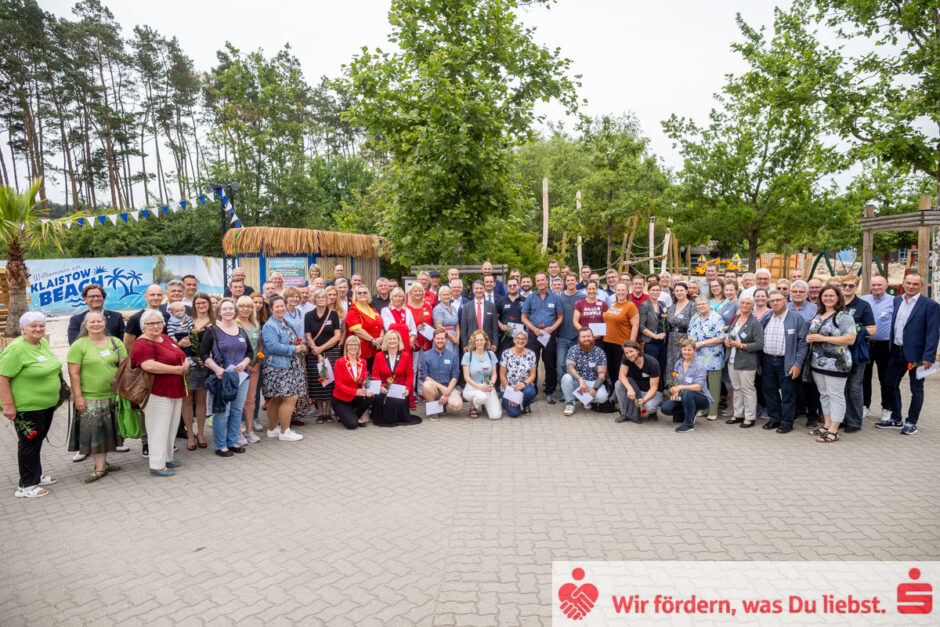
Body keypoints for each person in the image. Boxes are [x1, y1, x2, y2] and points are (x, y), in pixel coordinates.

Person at [0, 312, 62, 497]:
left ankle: (36, 474)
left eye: (41, 326)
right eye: (33, 326)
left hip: (46, 405)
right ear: (22, 329)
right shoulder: (16, 349)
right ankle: (26, 485)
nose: (38, 329)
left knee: (36, 441)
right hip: (27, 408)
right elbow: (3, 378)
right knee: (28, 443)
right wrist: (8, 405)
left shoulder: (41, 342)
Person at [66, 312, 127, 482]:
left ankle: (104, 463)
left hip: (113, 396)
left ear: (104, 323)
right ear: (85, 325)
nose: (96, 324)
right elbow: (74, 373)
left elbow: (124, 367)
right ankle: (99, 467)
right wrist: (77, 397)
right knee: (95, 433)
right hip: (90, 397)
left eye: (99, 321)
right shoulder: (79, 345)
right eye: (92, 322)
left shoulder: (115, 342)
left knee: (107, 431)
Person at [876, 272, 939, 435]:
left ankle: (911, 422)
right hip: (897, 352)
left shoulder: (930, 305)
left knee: (916, 389)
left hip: (917, 356)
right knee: (890, 383)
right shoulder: (897, 300)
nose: (911, 286)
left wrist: (929, 356)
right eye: (908, 283)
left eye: (915, 284)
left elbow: (933, 332)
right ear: (903, 283)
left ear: (921, 286)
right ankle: (896, 418)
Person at [130, 310, 189, 476]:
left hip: (175, 389)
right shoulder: (142, 343)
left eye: (158, 323)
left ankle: (167, 458)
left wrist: (184, 365)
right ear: (143, 326)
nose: (156, 326)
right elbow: (148, 365)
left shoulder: (166, 338)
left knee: (170, 427)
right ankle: (157, 465)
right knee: (158, 429)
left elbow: (179, 354)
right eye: (151, 323)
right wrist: (177, 369)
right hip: (157, 392)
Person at [804, 286, 856, 443]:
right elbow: (813, 333)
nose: (828, 298)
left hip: (837, 363)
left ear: (838, 297)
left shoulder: (844, 316)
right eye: (825, 295)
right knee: (824, 394)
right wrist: (809, 338)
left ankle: (834, 430)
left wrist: (823, 339)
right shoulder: (819, 314)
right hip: (818, 362)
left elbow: (850, 339)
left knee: (836, 395)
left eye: (831, 295)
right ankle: (826, 425)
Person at [201, 299, 253, 456]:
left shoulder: (241, 331)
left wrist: (244, 363)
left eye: (231, 308)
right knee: (222, 411)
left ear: (235, 311)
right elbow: (203, 354)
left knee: (237, 410)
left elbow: (250, 352)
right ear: (219, 312)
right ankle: (220, 445)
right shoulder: (212, 331)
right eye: (225, 309)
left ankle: (232, 442)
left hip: (241, 377)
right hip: (222, 377)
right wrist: (217, 369)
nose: (228, 311)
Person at [760, 290, 808, 434]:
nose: (774, 303)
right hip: (768, 360)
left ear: (785, 301)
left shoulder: (796, 319)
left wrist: (797, 364)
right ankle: (775, 418)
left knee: (788, 393)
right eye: (772, 301)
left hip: (786, 362)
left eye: (778, 300)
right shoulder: (767, 318)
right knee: (769, 391)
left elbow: (803, 344)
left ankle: (787, 422)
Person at [260, 295, 306, 442]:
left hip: (288, 366)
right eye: (277, 306)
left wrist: (300, 346)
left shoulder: (284, 322)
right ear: (271, 309)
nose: (280, 309)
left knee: (276, 399)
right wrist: (294, 349)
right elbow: (272, 346)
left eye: (282, 306)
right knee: (291, 397)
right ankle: (285, 431)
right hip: (278, 367)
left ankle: (273, 429)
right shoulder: (270, 326)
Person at [722, 295, 764, 428]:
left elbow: (759, 344)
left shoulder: (755, 323)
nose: (744, 306)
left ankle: (750, 417)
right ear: (739, 305)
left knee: (748, 389)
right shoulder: (736, 319)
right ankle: (738, 414)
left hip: (746, 361)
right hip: (732, 359)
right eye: (742, 303)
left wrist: (740, 345)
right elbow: (730, 335)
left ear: (752, 306)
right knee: (736, 388)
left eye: (748, 304)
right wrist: (727, 342)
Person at [521, 272, 563, 404]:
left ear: (547, 281)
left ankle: (549, 392)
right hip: (533, 335)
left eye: (542, 280)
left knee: (550, 364)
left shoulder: (555, 298)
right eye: (538, 280)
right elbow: (523, 317)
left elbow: (560, 317)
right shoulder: (531, 298)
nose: (540, 282)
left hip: (549, 335)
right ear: (535, 282)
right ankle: (532, 391)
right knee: (532, 363)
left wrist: (552, 328)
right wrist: (533, 329)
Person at [182, 292, 215, 451]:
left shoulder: (215, 322)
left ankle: (200, 433)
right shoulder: (187, 321)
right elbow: (178, 339)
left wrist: (209, 358)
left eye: (204, 303)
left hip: (205, 365)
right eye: (198, 303)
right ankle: (190, 434)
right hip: (188, 365)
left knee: (201, 400)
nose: (201, 306)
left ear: (209, 304)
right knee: (187, 400)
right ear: (194, 305)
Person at [370, 330, 422, 427]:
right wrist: (380, 387)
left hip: (399, 390)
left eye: (395, 338)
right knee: (383, 399)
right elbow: (375, 375)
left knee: (397, 400)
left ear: (399, 341)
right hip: (384, 389)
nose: (392, 341)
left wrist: (408, 389)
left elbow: (410, 375)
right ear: (386, 341)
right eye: (390, 339)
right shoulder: (379, 356)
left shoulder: (405, 356)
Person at [304, 288, 342, 424]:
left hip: (331, 352)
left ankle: (328, 412)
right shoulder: (308, 315)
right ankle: (320, 412)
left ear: (327, 300)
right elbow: (308, 336)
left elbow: (337, 335)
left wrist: (322, 348)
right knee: (317, 382)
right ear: (314, 300)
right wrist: (316, 350)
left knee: (330, 382)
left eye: (323, 297)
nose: (321, 300)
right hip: (314, 352)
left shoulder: (333, 315)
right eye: (318, 297)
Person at [660, 339, 713, 433]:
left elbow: (698, 387)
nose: (686, 352)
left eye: (689, 350)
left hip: (701, 398)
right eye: (684, 349)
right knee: (665, 409)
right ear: (681, 350)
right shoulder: (678, 363)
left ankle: (689, 424)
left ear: (694, 351)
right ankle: (689, 411)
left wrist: (680, 388)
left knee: (688, 393)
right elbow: (676, 382)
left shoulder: (699, 366)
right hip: (684, 396)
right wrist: (676, 392)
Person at [861, 275, 893, 422]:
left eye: (879, 285)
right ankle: (864, 406)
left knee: (885, 377)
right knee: (865, 376)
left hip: (884, 344)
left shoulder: (893, 301)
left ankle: (887, 408)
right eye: (873, 285)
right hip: (867, 343)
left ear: (886, 286)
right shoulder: (864, 300)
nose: (876, 288)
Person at [688, 296, 725, 418]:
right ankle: (703, 409)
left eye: (703, 304)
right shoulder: (695, 317)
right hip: (697, 358)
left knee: (713, 385)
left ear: (709, 304)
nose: (701, 306)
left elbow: (720, 337)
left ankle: (713, 411)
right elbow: (689, 333)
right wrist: (691, 345)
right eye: (698, 305)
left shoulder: (717, 318)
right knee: (701, 385)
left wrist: (702, 343)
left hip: (712, 358)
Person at [560, 327, 608, 416]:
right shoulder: (573, 349)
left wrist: (594, 389)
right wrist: (580, 380)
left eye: (588, 336)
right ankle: (570, 403)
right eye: (583, 337)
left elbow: (602, 374)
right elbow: (570, 368)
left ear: (593, 337)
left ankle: (585, 399)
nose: (586, 339)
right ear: (579, 338)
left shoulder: (600, 352)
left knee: (603, 397)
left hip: (592, 381)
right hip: (577, 381)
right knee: (566, 378)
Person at [601, 283, 639, 389]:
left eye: (623, 290)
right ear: (615, 291)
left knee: (620, 371)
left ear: (627, 292)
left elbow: (635, 326)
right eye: (618, 290)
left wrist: (631, 345)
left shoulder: (630, 306)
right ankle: (614, 394)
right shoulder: (613, 304)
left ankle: (621, 396)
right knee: (611, 370)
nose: (621, 292)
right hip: (608, 342)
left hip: (621, 344)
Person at [331, 336, 375, 429]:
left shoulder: (362, 362)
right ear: (346, 346)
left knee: (371, 397)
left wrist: (368, 390)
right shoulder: (340, 362)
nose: (353, 347)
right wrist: (355, 392)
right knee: (352, 425)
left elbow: (364, 379)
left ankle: (353, 415)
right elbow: (338, 385)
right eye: (351, 344)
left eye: (356, 345)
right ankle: (349, 416)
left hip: (354, 397)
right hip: (341, 399)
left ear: (359, 347)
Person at [614, 339, 662, 423]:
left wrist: (644, 399)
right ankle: (624, 413)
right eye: (626, 353)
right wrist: (629, 388)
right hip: (636, 389)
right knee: (618, 383)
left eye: (631, 351)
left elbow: (654, 387)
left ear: (638, 350)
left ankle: (653, 412)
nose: (629, 355)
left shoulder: (652, 363)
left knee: (649, 407)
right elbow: (621, 375)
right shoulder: (626, 358)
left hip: (651, 391)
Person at [235, 295, 263, 441]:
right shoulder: (234, 324)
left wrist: (257, 363)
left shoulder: (255, 325)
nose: (245, 309)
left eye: (248, 306)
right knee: (238, 400)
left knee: (250, 400)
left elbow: (259, 346)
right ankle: (238, 432)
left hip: (254, 369)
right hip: (239, 368)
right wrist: (245, 364)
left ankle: (249, 431)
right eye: (242, 306)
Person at [420, 327, 462, 419]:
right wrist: (441, 387)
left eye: (442, 338)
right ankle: (433, 411)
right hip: (434, 389)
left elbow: (455, 376)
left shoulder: (453, 356)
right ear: (434, 339)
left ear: (446, 339)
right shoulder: (426, 355)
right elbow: (424, 375)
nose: (440, 341)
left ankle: (442, 405)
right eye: (438, 338)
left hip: (448, 389)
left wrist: (447, 392)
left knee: (457, 405)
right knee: (426, 385)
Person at [461, 329, 501, 419]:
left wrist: (492, 384)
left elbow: (494, 374)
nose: (479, 342)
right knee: (482, 397)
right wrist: (480, 388)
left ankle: (485, 404)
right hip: (472, 387)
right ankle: (473, 406)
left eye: (481, 340)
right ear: (473, 342)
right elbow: (466, 377)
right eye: (477, 340)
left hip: (487, 385)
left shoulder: (491, 354)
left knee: (496, 416)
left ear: (485, 341)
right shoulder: (468, 355)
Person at [556, 274, 585, 395]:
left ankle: (576, 389)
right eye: (568, 280)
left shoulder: (582, 296)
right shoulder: (559, 297)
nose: (571, 282)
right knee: (561, 365)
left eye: (573, 280)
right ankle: (564, 390)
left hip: (576, 338)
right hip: (562, 337)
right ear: (565, 283)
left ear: (576, 281)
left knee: (575, 365)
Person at [406, 283, 435, 405]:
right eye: (415, 291)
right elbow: (406, 325)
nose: (418, 293)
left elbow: (431, 321)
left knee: (423, 367)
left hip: (427, 341)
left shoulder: (427, 306)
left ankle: (422, 391)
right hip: (414, 341)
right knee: (413, 367)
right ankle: (411, 393)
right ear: (411, 293)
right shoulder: (407, 307)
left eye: (420, 291)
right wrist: (415, 328)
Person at [499, 330, 537, 418]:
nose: (520, 341)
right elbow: (502, 375)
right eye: (518, 338)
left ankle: (526, 404)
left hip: (524, 386)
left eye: (523, 339)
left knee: (530, 392)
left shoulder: (531, 354)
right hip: (509, 387)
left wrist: (523, 385)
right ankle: (506, 401)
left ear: (526, 341)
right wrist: (511, 394)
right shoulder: (506, 353)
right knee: (514, 414)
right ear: (514, 340)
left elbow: (533, 375)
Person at [345, 285, 384, 370]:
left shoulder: (373, 310)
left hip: (375, 350)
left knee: (373, 377)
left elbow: (380, 326)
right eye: (359, 293)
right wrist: (372, 340)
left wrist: (380, 338)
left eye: (365, 292)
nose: (362, 294)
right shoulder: (353, 310)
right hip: (360, 350)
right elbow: (357, 330)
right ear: (355, 295)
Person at [637, 283, 668, 379]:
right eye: (653, 290)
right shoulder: (644, 305)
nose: (655, 292)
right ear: (648, 291)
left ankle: (659, 389)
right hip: (650, 342)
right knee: (651, 366)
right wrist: (655, 336)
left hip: (663, 342)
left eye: (657, 290)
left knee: (661, 365)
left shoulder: (662, 304)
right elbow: (641, 326)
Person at [461, 279, 500, 353]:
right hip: (471, 343)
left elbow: (495, 327)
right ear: (473, 290)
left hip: (487, 343)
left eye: (481, 288)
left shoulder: (491, 306)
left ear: (484, 290)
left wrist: (495, 343)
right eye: (477, 288)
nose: (479, 290)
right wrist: (465, 344)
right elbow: (463, 329)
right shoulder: (466, 307)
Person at [665, 282, 694, 378]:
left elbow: (694, 324)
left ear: (686, 291)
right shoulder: (673, 305)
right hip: (672, 338)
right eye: (677, 290)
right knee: (671, 361)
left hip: (685, 339)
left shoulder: (692, 305)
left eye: (681, 290)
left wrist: (690, 341)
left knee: (682, 362)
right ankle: (671, 384)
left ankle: (682, 386)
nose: (679, 292)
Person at [433, 285, 461, 353]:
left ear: (451, 295)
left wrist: (457, 337)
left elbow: (457, 324)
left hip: (455, 339)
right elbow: (439, 327)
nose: (446, 296)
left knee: (454, 359)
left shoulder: (453, 308)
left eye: (448, 294)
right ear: (440, 296)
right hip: (444, 338)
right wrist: (452, 338)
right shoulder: (438, 309)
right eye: (444, 295)